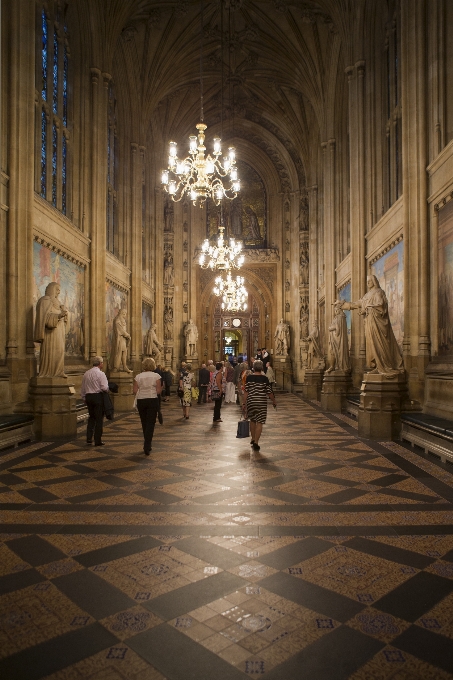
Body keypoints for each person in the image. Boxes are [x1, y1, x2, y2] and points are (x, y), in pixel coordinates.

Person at [341, 274, 404, 377]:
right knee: (371, 344)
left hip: (378, 324)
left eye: (369, 281)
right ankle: (378, 367)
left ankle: (385, 366)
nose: (368, 283)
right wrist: (342, 304)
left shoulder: (379, 292)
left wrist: (368, 308)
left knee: (380, 344)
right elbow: (357, 304)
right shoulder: (367, 295)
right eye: (367, 281)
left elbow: (380, 306)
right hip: (370, 323)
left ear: (374, 281)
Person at [34, 282, 68, 378]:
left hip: (59, 331)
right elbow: (45, 319)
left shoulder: (57, 302)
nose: (58, 292)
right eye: (57, 290)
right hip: (50, 333)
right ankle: (49, 373)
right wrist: (58, 315)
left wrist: (64, 314)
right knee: (52, 351)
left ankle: (59, 372)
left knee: (60, 351)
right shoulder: (45, 300)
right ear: (52, 289)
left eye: (59, 290)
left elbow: (61, 317)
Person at [243, 360, 276, 451]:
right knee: (260, 422)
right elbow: (269, 392)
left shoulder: (249, 378)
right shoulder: (264, 379)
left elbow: (246, 391)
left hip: (251, 402)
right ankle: (256, 442)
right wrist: (274, 401)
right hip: (261, 402)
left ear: (253, 368)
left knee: (252, 420)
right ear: (262, 368)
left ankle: (253, 438)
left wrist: (243, 403)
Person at [134, 357, 162, 455]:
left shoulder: (138, 376)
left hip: (141, 400)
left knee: (144, 422)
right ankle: (147, 445)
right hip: (152, 400)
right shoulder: (156, 376)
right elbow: (158, 391)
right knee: (151, 422)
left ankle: (147, 442)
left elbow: (135, 391)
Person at [81, 356, 109, 446]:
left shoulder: (86, 373)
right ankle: (97, 440)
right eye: (102, 363)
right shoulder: (101, 374)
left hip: (88, 397)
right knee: (99, 419)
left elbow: (83, 387)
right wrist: (108, 388)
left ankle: (89, 438)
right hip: (97, 397)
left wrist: (83, 398)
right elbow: (104, 388)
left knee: (91, 417)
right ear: (100, 363)